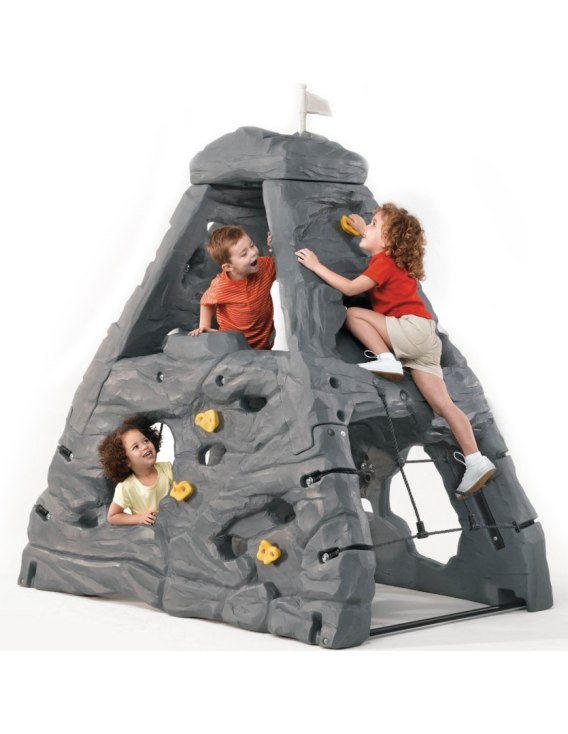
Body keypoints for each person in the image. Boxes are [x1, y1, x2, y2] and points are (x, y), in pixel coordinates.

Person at [296, 203, 496, 499]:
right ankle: (475, 459)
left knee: (354, 314)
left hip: (410, 330)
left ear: (388, 241)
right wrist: (363, 230)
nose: (367, 226)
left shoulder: (383, 262)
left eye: (374, 224)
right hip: (425, 339)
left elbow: (351, 289)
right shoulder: (395, 262)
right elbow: (379, 243)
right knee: (444, 405)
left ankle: (386, 359)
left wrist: (316, 266)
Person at [189, 226, 276, 349]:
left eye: (252, 245)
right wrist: (204, 325)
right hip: (233, 344)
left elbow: (284, 265)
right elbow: (206, 301)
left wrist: (275, 247)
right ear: (228, 267)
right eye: (244, 254)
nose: (253, 252)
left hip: (264, 339)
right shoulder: (221, 286)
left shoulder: (265, 266)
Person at [98, 415, 173, 525]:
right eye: (136, 447)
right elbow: (112, 516)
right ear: (125, 460)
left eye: (145, 440)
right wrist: (139, 518)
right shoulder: (126, 487)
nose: (145, 446)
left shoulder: (166, 468)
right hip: (152, 531)